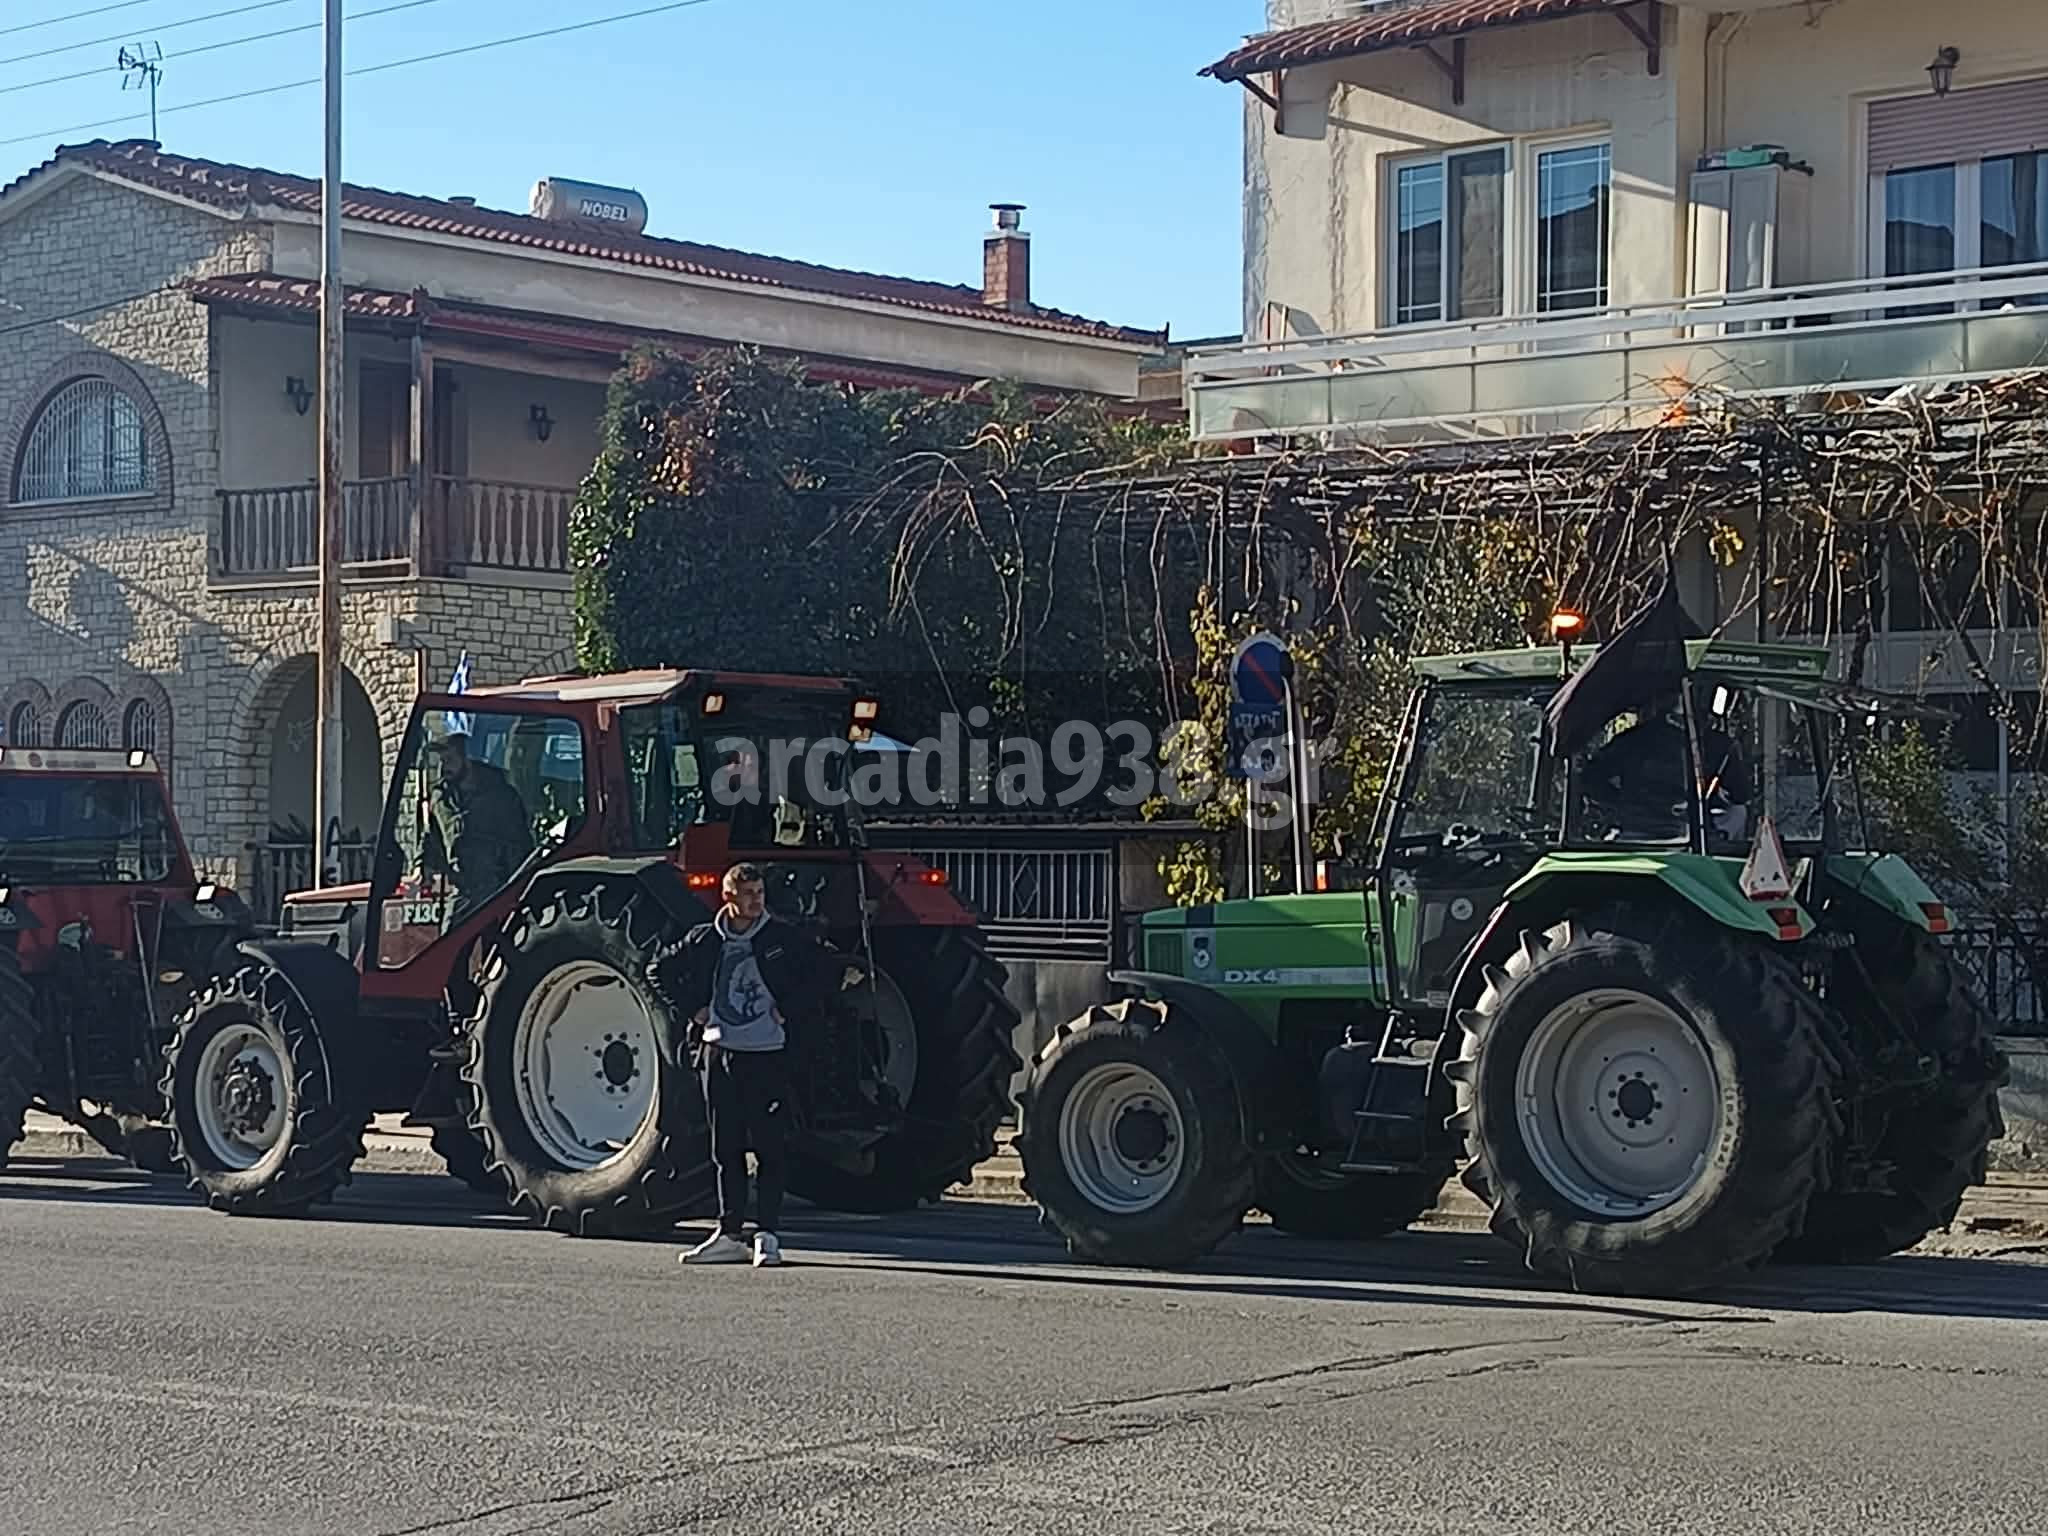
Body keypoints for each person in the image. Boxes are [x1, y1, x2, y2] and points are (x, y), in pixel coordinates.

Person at [645, 862, 832, 1268]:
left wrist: (789, 1009)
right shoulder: (705, 939)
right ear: (728, 897)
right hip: (719, 1053)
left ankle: (767, 1235)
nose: (756, 901)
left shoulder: (782, 937)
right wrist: (694, 1010)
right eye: (748, 894)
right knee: (724, 1147)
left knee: (769, 1147)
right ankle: (729, 1233)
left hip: (768, 1054)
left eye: (759, 893)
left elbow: (824, 971)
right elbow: (658, 970)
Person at [421, 727, 535, 921]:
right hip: (462, 891)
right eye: (441, 760)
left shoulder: (501, 796)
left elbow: (520, 845)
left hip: (498, 891)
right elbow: (432, 837)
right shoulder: (441, 798)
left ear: (468, 759)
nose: (443, 767)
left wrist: (516, 889)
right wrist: (424, 867)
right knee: (451, 938)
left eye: (449, 760)